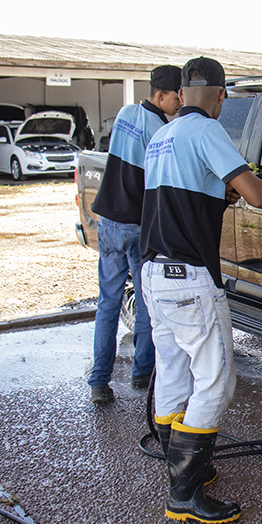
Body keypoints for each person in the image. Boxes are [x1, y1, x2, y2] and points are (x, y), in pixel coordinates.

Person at [140, 57, 262, 524]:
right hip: (189, 278)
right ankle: (184, 494)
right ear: (221, 95)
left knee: (173, 371)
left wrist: (218, 197)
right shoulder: (207, 131)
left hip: (154, 274)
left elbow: (175, 201)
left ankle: (184, 468)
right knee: (217, 381)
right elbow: (258, 194)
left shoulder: (162, 136)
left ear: (181, 93)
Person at [86, 65, 182, 404]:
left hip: (108, 222)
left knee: (107, 304)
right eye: (176, 96)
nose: (180, 102)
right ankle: (142, 373)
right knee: (145, 304)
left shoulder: (126, 113)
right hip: (137, 226)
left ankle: (99, 382)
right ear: (160, 95)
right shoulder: (161, 130)